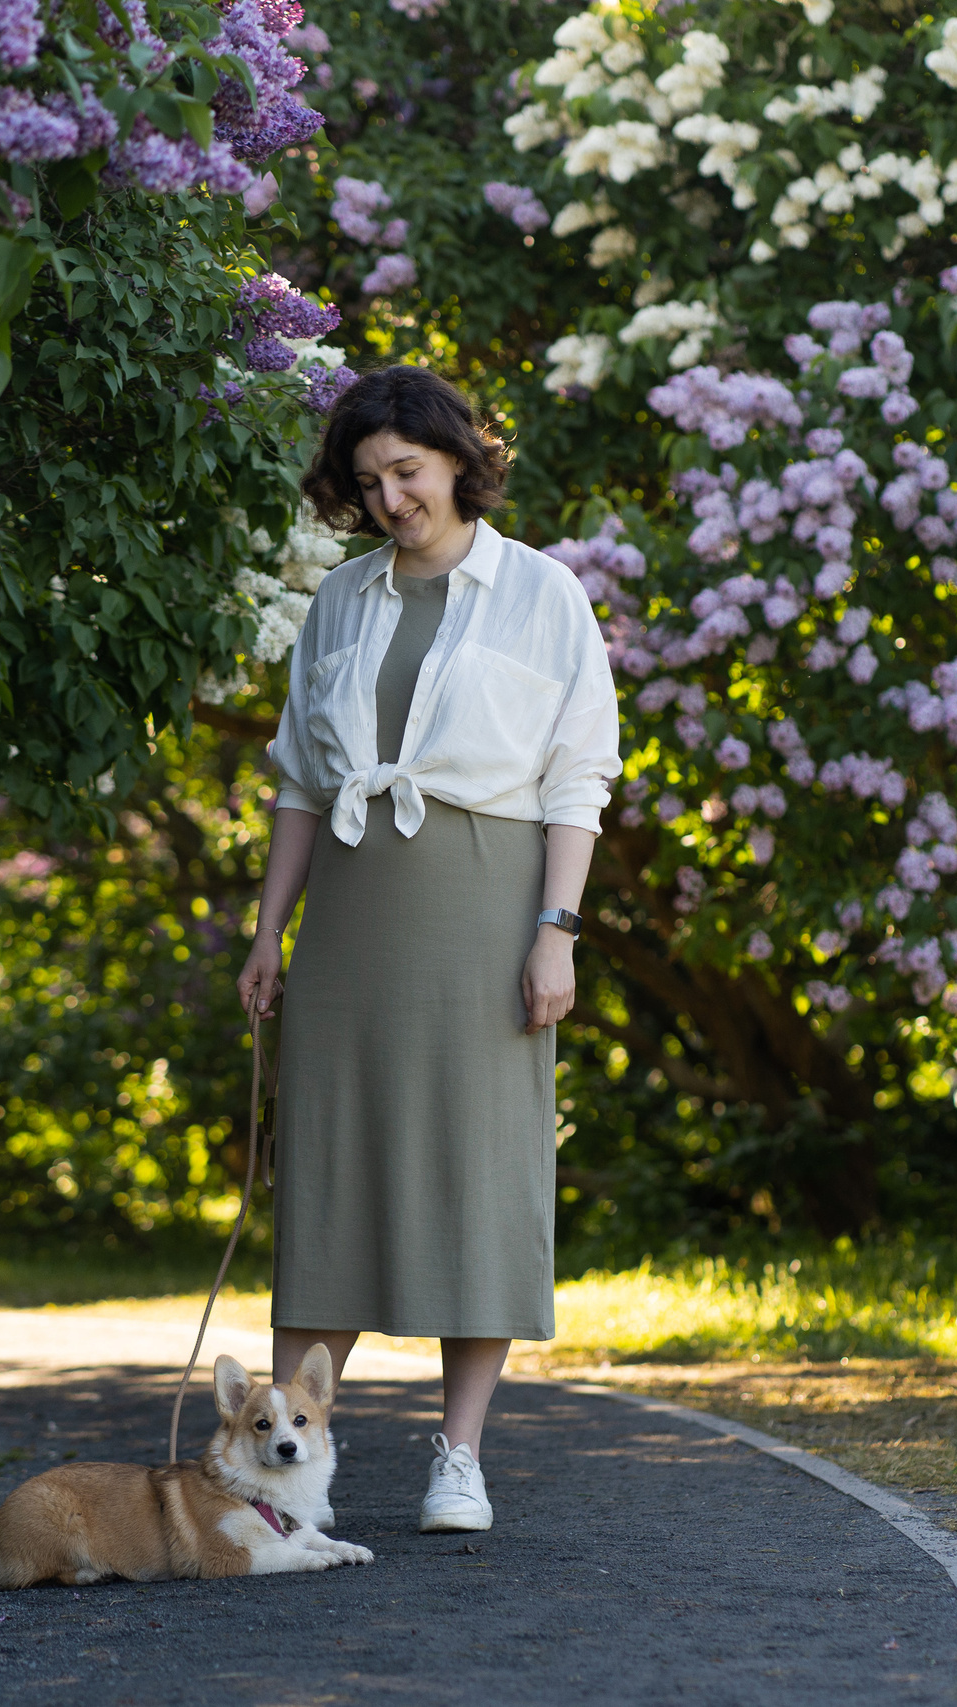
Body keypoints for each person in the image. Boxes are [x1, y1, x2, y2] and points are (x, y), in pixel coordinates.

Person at [235, 366, 621, 1533]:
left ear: (457, 459)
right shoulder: (342, 602)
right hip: (352, 915)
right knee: (328, 1169)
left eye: (406, 469)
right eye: (368, 481)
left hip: (485, 903)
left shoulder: (542, 592)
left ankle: (459, 1458)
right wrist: (268, 933)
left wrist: (555, 933)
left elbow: (578, 775)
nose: (392, 497)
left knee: (478, 1168)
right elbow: (300, 780)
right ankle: (282, 1468)